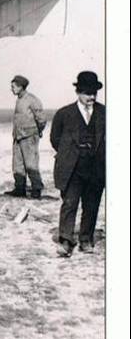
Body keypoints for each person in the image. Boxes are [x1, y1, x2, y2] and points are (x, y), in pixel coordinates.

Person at [50, 71, 105, 258]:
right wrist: (71, 155)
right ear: (78, 92)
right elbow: (55, 139)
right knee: (70, 203)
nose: (91, 97)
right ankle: (65, 241)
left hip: (96, 168)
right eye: (87, 93)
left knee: (91, 204)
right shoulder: (64, 114)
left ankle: (85, 239)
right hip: (72, 168)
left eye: (94, 93)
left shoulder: (104, 113)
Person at [5, 75, 47, 198]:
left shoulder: (32, 100)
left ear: (21, 87)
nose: (11, 89)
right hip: (18, 136)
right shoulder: (19, 99)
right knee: (17, 165)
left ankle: (36, 189)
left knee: (31, 165)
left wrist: (36, 132)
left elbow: (42, 119)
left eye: (13, 87)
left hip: (29, 137)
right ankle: (19, 189)